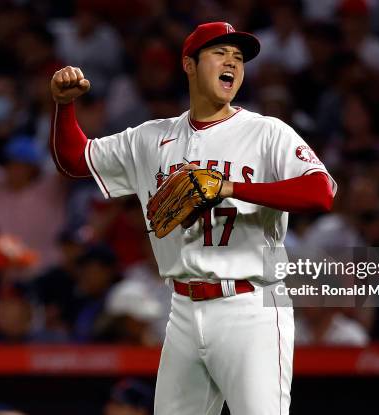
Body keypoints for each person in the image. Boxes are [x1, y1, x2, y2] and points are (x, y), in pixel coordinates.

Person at [50, 22, 336, 415]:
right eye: (220, 53)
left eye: (238, 58)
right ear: (189, 65)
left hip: (251, 306)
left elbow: (320, 193)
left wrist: (231, 188)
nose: (232, 63)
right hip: (182, 307)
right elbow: (75, 159)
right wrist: (64, 107)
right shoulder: (151, 139)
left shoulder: (267, 133)